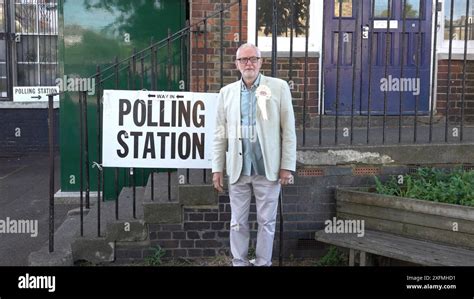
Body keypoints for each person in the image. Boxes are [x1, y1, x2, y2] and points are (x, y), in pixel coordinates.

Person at [212, 43, 296, 266]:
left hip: (267, 168)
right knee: (237, 222)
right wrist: (217, 169)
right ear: (237, 64)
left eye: (253, 58)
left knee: (266, 221)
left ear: (261, 62)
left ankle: (262, 263)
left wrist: (287, 166)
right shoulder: (226, 93)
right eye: (243, 59)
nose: (248, 63)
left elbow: (288, 130)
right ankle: (239, 262)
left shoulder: (278, 87)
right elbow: (220, 134)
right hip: (238, 169)